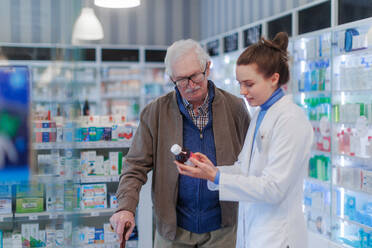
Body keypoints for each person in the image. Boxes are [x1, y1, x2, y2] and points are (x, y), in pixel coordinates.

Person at [175, 32, 314, 248]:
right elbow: (245, 168)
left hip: (279, 237)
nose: (242, 92)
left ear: (274, 78)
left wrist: (219, 177)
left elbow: (274, 188)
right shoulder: (260, 113)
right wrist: (211, 171)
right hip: (255, 231)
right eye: (239, 83)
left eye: (249, 84)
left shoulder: (291, 120)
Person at [110, 39, 250, 247]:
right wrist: (125, 207)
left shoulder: (235, 107)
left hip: (223, 228)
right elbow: (135, 166)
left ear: (207, 68)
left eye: (195, 76)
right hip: (172, 230)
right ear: (171, 78)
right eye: (182, 80)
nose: (191, 86)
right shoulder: (155, 112)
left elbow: (251, 161)